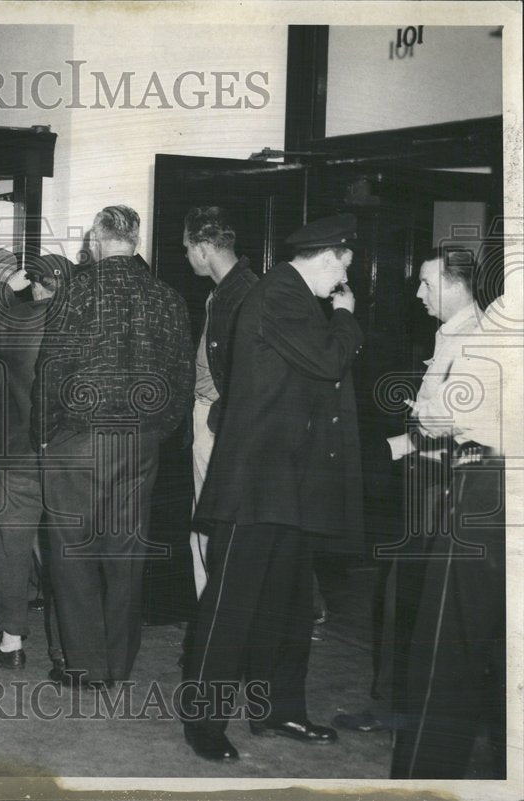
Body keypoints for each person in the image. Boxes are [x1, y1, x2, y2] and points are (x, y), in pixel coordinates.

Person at [181, 213, 364, 761]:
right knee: (231, 604)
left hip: (292, 481)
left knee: (288, 606)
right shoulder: (282, 294)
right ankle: (203, 721)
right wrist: (347, 318)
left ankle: (279, 709)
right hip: (257, 483)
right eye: (344, 270)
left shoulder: (294, 297)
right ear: (329, 256)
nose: (344, 283)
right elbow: (329, 359)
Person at [31, 205, 195, 688]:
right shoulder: (168, 298)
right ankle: (118, 664)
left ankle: (85, 665)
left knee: (72, 553)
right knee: (125, 556)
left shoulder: (75, 292)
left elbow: (51, 371)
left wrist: (44, 434)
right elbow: (181, 381)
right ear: (136, 241)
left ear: (97, 240)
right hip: (140, 441)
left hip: (78, 439)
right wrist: (154, 432)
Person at [388, 247, 505, 778]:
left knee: (444, 632)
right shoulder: (450, 334)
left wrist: (394, 444)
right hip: (442, 475)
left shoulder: (479, 333)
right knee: (412, 603)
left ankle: (424, 758)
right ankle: (399, 709)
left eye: (427, 283)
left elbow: (440, 418)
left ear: (457, 284)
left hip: (460, 480)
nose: (418, 295)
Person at [0, 254, 73, 671]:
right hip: (66, 456)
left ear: (37, 284)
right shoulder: (83, 325)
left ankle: (11, 643)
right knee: (65, 552)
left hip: (16, 455)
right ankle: (65, 646)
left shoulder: (21, 320)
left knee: (11, 549)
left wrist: (7, 288)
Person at [180, 207, 258, 602]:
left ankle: (215, 620)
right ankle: (211, 617)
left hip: (217, 424)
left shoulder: (241, 294)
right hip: (213, 420)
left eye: (189, 248)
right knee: (208, 526)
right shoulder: (229, 290)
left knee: (212, 526)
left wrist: (215, 417)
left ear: (206, 247)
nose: (187, 256)